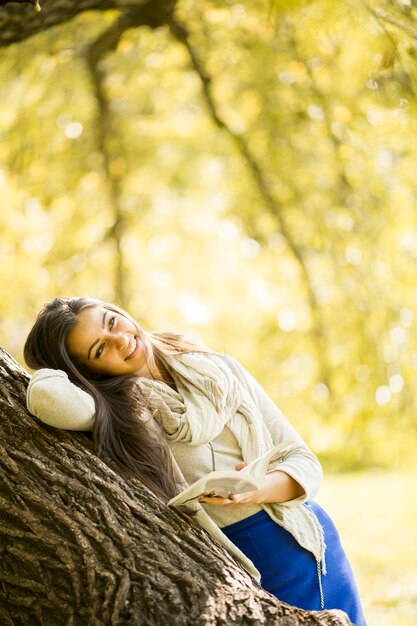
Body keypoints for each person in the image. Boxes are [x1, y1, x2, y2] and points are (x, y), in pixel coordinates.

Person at [24, 296, 366, 626]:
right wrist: (54, 367)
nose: (120, 340)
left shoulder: (217, 368)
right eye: (100, 349)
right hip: (246, 561)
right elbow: (46, 396)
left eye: (111, 321)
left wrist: (257, 488)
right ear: (90, 372)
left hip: (309, 538)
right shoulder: (120, 415)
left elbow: (303, 459)